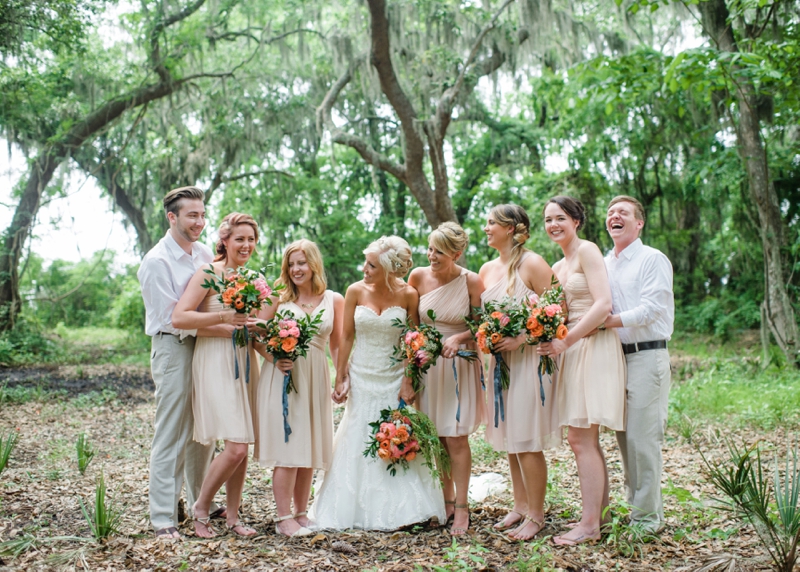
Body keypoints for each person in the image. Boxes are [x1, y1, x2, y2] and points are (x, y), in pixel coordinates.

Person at [309, 236, 446, 530]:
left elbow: (413, 341)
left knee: (397, 434)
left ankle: (404, 510)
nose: (364, 269)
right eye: (366, 262)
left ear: (387, 268)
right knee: (356, 436)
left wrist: (408, 380)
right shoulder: (355, 291)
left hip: (394, 376)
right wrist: (341, 374)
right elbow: (346, 336)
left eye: (371, 265)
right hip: (361, 374)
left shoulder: (409, 294)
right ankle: (353, 509)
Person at [138, 186, 227, 540]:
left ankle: (198, 502)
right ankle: (162, 516)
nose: (200, 222)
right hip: (173, 348)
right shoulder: (156, 262)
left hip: (203, 346)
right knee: (172, 432)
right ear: (171, 217)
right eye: (192, 215)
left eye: (203, 215)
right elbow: (174, 319)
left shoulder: (203, 253)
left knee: (203, 432)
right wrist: (224, 326)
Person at [537, 196, 626, 545]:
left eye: (560, 218)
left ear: (576, 220)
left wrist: (567, 340)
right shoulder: (557, 267)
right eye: (547, 220)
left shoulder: (588, 251)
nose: (553, 225)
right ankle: (599, 519)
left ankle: (588, 525)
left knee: (580, 438)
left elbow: (603, 304)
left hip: (593, 346)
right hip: (571, 350)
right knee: (585, 439)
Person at [172, 213, 262, 538]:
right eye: (239, 238)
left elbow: (250, 324)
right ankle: (201, 507)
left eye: (251, 239)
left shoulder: (252, 277)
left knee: (243, 444)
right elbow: (180, 317)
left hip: (244, 360)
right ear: (224, 240)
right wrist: (225, 320)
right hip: (213, 360)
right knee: (235, 446)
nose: (246, 245)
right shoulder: (209, 271)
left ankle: (234, 517)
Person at [252, 239, 344, 537]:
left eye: (301, 263)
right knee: (289, 449)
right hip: (284, 377)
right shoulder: (278, 296)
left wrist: (342, 377)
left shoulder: (334, 299)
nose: (295, 269)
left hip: (316, 377)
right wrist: (274, 357)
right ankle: (282, 518)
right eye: (291, 264)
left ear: (314, 264)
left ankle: (302, 513)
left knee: (311, 447)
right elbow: (254, 332)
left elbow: (338, 344)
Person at [480, 204, 561, 541]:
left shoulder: (532, 263)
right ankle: (520, 505)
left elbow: (560, 308)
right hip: (500, 364)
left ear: (511, 228)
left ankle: (537, 516)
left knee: (526, 439)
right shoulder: (485, 269)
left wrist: (523, 337)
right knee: (512, 439)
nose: (486, 229)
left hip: (529, 361)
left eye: (491, 224)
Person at [408, 222, 486, 536]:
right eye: (429, 249)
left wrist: (460, 338)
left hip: (459, 365)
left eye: (439, 251)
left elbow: (482, 324)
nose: (432, 256)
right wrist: (414, 363)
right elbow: (412, 328)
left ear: (457, 252)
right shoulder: (417, 277)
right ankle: (446, 501)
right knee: (436, 438)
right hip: (429, 366)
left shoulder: (472, 281)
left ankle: (464, 507)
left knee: (455, 436)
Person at [603, 195, 674, 534]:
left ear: (639, 222)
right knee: (623, 438)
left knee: (643, 440)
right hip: (615, 359)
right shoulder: (603, 263)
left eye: (624, 213)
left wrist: (608, 321)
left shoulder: (652, 259)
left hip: (648, 355)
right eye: (611, 212)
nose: (615, 216)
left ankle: (648, 519)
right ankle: (637, 509)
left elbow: (653, 310)